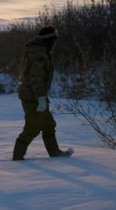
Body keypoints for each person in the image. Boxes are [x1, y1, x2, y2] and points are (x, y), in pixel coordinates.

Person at [12, 25, 74, 160]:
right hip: (32, 96)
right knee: (32, 127)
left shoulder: (36, 51)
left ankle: (55, 153)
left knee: (48, 124)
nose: (55, 44)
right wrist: (40, 98)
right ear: (49, 40)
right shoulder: (39, 55)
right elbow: (36, 79)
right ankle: (17, 158)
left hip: (33, 95)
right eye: (54, 40)